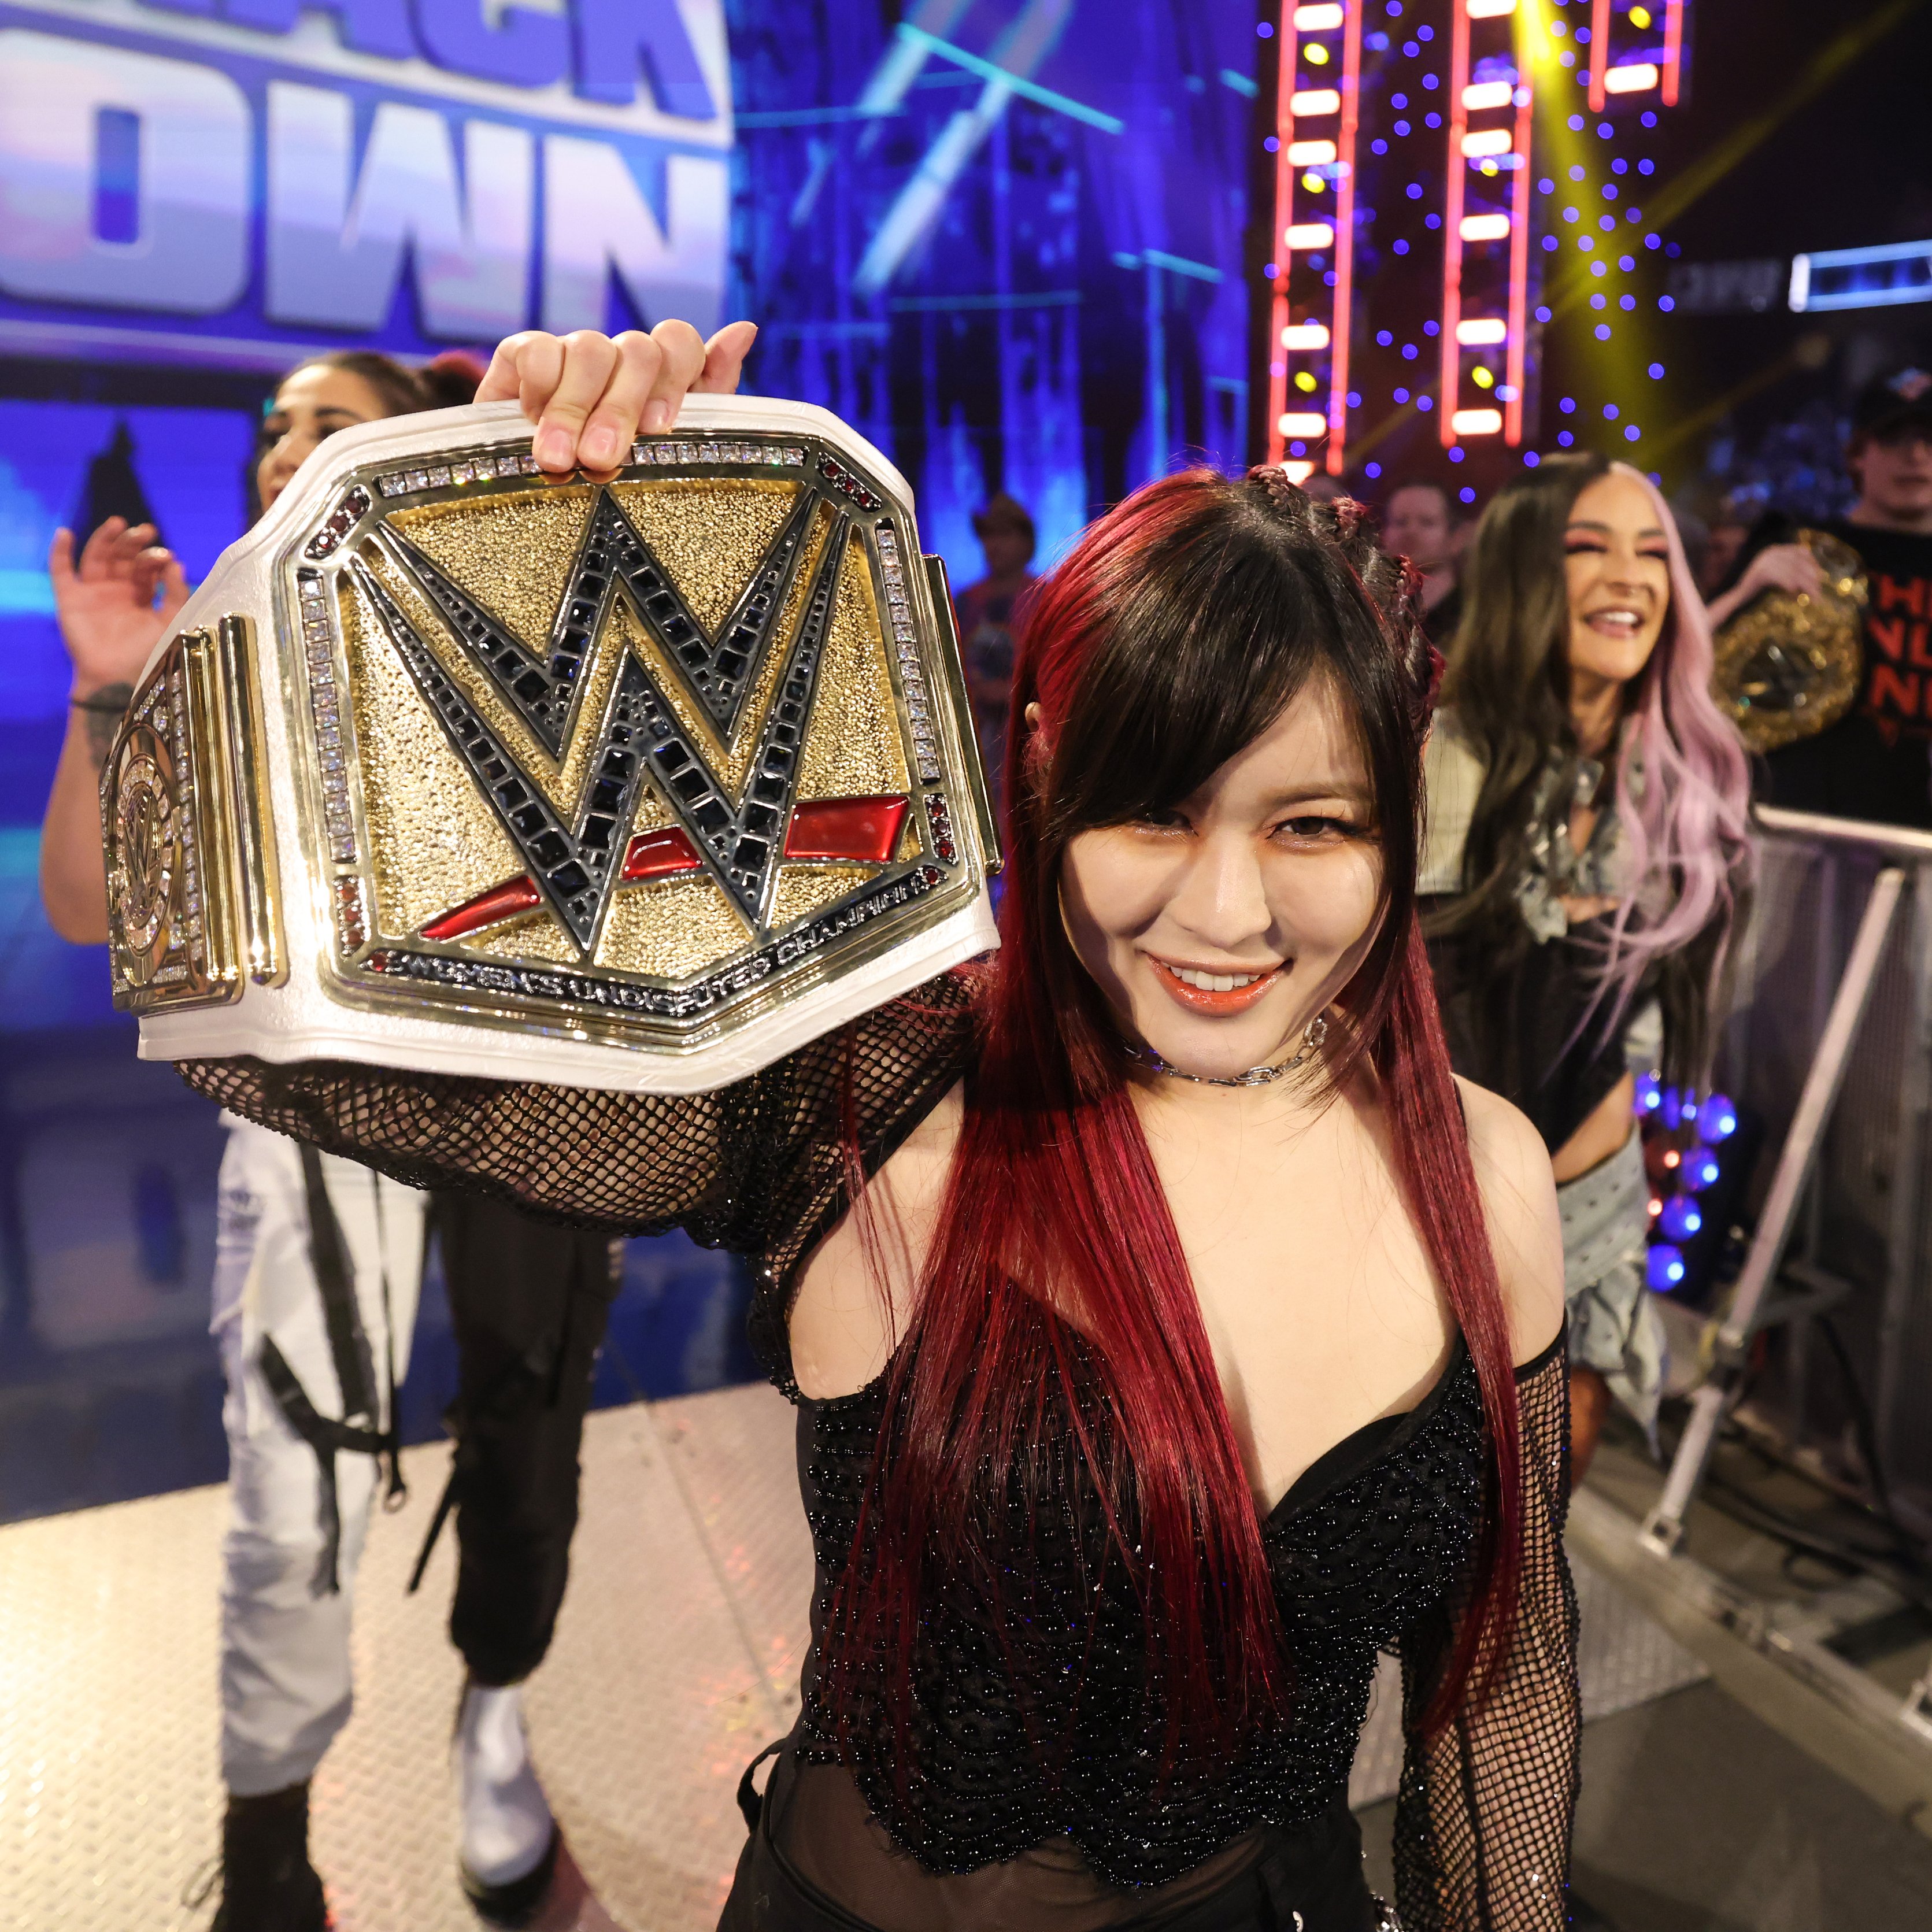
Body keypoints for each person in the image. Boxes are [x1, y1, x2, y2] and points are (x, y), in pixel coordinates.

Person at [180, 323, 1579, 1931]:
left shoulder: (1480, 1175)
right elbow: (279, 1048)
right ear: (1040, 777)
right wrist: (455, 554)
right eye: (1153, 810)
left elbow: (1503, 1685)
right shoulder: (860, 1093)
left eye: (1311, 824)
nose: (1224, 910)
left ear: (1397, 818)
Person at [35, 347, 643, 1930]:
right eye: (275, 425)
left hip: (523, 1091)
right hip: (309, 1105)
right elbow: (92, 910)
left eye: (330, 423)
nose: (282, 445)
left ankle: (495, 1708)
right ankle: (267, 1823)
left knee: (528, 1419)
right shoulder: (214, 636)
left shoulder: (517, 615)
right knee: (289, 1457)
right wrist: (113, 679)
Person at [1422, 453, 1753, 1483]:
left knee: (1546, 1500)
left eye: (1653, 553)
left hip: (1595, 1204)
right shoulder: (1443, 751)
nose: (1630, 577)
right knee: (1442, 1505)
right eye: (1588, 547)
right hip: (1444, 1192)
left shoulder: (1677, 772)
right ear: (1522, 567)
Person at [1713, 367, 1932, 828]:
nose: (1916, 456)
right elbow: (1683, 662)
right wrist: (1745, 589)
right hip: (1796, 827)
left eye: (1930, 441)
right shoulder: (1797, 546)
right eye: (1894, 439)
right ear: (1858, 454)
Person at [952, 491, 1037, 815]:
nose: (994, 545)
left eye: (1004, 534)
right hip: (978, 733)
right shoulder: (966, 601)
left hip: (1029, 732)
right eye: (989, 535)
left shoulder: (1045, 597)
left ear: (1026, 542)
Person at [1380, 478, 1466, 646]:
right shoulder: (1372, 609)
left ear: (1456, 538)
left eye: (1427, 522)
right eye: (1400, 522)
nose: (1411, 531)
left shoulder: (1471, 612)